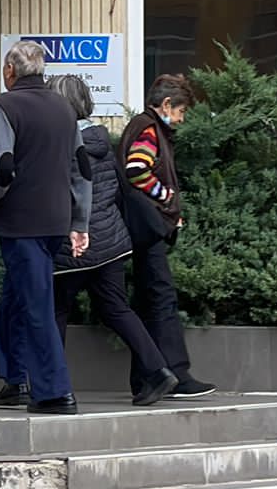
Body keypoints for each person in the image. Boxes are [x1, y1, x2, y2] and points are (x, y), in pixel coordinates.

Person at [47, 75, 179, 406]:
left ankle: (53, 386)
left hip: (74, 242)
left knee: (56, 310)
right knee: (117, 308)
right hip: (111, 241)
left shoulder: (59, 144)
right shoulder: (101, 139)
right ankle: (158, 371)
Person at [0, 40, 90, 415]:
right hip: (56, 221)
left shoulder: (5, 106)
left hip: (20, 222)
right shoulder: (64, 108)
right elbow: (81, 168)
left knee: (36, 306)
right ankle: (16, 380)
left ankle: (55, 392)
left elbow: (3, 167)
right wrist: (80, 221)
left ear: (10, 70)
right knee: (14, 300)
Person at [119, 74, 216, 399]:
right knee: (161, 299)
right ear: (166, 105)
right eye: (180, 111)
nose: (181, 119)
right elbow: (137, 170)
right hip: (148, 230)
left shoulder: (144, 126)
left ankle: (148, 377)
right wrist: (166, 198)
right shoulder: (149, 129)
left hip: (140, 228)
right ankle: (176, 374)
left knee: (148, 301)